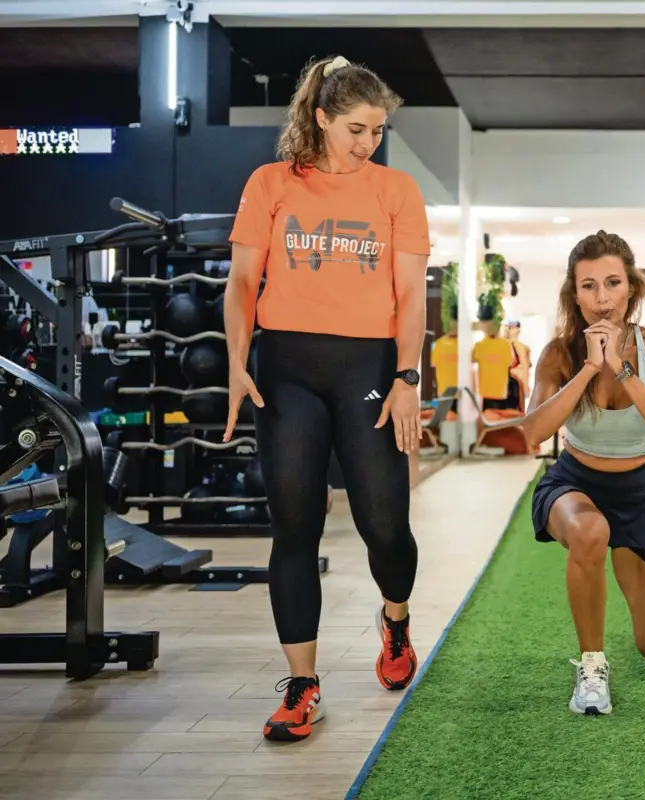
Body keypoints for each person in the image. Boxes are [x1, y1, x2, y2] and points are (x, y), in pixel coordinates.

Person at [223, 54, 430, 742]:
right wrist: (235, 361)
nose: (367, 142)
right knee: (295, 527)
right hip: (287, 368)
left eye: (376, 130)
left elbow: (409, 299)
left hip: (365, 367)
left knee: (384, 527)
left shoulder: (395, 191)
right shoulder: (271, 183)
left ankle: (395, 622)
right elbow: (242, 282)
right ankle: (303, 686)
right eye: (356, 128)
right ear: (320, 119)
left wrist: (407, 379)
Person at [522, 230, 645, 717]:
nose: (601, 299)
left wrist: (619, 367)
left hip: (642, 491)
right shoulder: (558, 353)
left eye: (612, 283)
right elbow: (534, 432)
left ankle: (621, 554)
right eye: (589, 286)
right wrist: (587, 370)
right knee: (591, 531)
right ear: (574, 294)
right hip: (575, 483)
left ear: (631, 289)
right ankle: (592, 667)